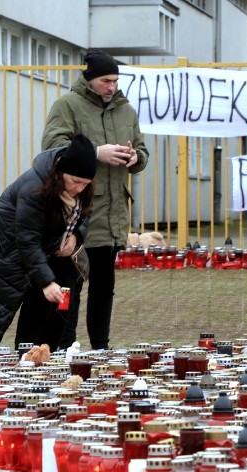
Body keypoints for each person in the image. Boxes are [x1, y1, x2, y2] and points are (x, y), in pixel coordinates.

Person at [42, 50, 149, 350]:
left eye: (115, 80)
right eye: (105, 80)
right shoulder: (67, 105)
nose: (111, 87)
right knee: (70, 287)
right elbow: (51, 148)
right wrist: (96, 153)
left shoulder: (126, 111)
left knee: (104, 287)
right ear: (90, 79)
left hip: (112, 215)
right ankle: (65, 347)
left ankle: (100, 348)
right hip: (76, 214)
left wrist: (135, 157)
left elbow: (142, 152)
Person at [0, 134, 97, 351]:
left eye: (85, 184)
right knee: (39, 299)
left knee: (63, 297)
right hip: (10, 250)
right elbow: (27, 240)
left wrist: (76, 236)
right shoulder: (35, 188)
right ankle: (26, 355)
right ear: (61, 172)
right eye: (75, 182)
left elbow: (85, 213)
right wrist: (46, 282)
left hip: (52, 248)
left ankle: (50, 352)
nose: (79, 188)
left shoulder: (83, 187)